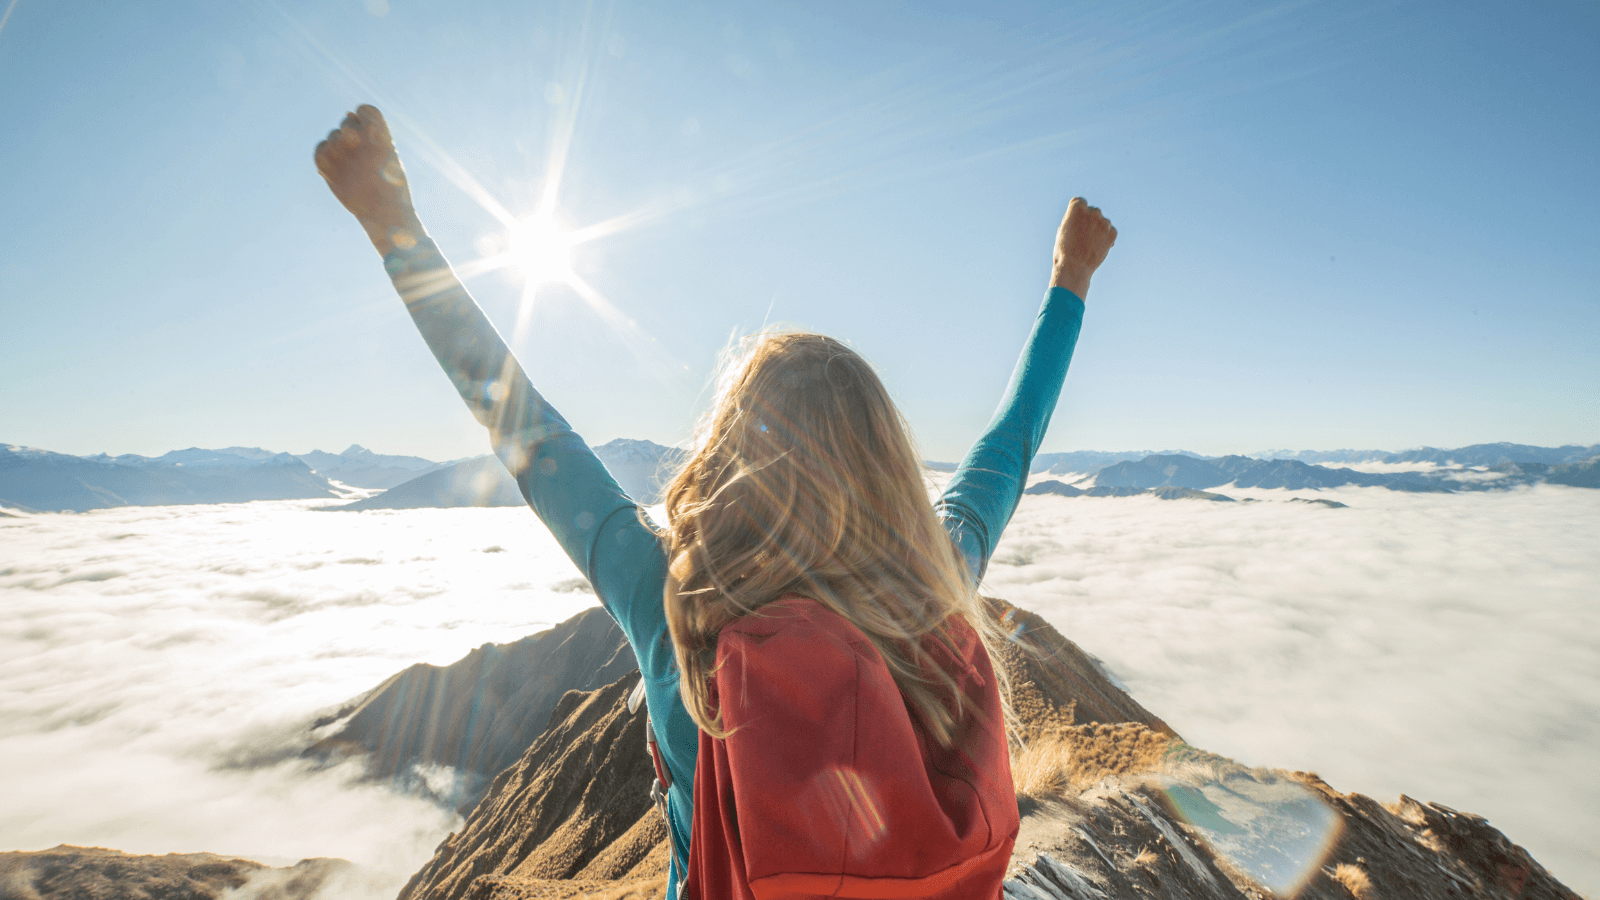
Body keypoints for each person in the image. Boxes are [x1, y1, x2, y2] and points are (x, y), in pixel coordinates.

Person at [315, 104, 1115, 899]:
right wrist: (1069, 279)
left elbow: (527, 430)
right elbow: (1008, 449)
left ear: (731, 459)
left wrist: (395, 229)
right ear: (890, 471)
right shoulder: (932, 587)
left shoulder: (677, 610)